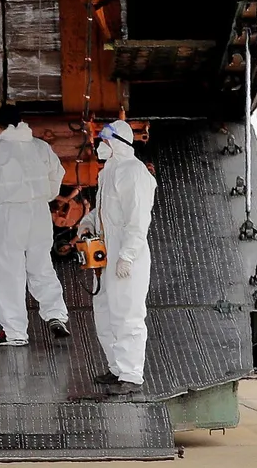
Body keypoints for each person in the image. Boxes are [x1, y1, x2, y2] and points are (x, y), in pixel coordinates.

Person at [0, 110, 71, 347]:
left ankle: (14, 332)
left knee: (8, 272)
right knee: (41, 265)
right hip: (39, 212)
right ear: (23, 123)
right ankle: (56, 314)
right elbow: (58, 173)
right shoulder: (41, 147)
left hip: (9, 214)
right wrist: (47, 194)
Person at [79, 120, 157, 394]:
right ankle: (116, 368)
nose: (99, 147)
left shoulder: (133, 173)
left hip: (126, 256)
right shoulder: (108, 173)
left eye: (104, 141)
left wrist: (126, 256)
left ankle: (132, 376)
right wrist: (88, 223)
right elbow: (105, 212)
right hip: (107, 255)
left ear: (116, 144)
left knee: (128, 315)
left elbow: (137, 220)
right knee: (106, 313)